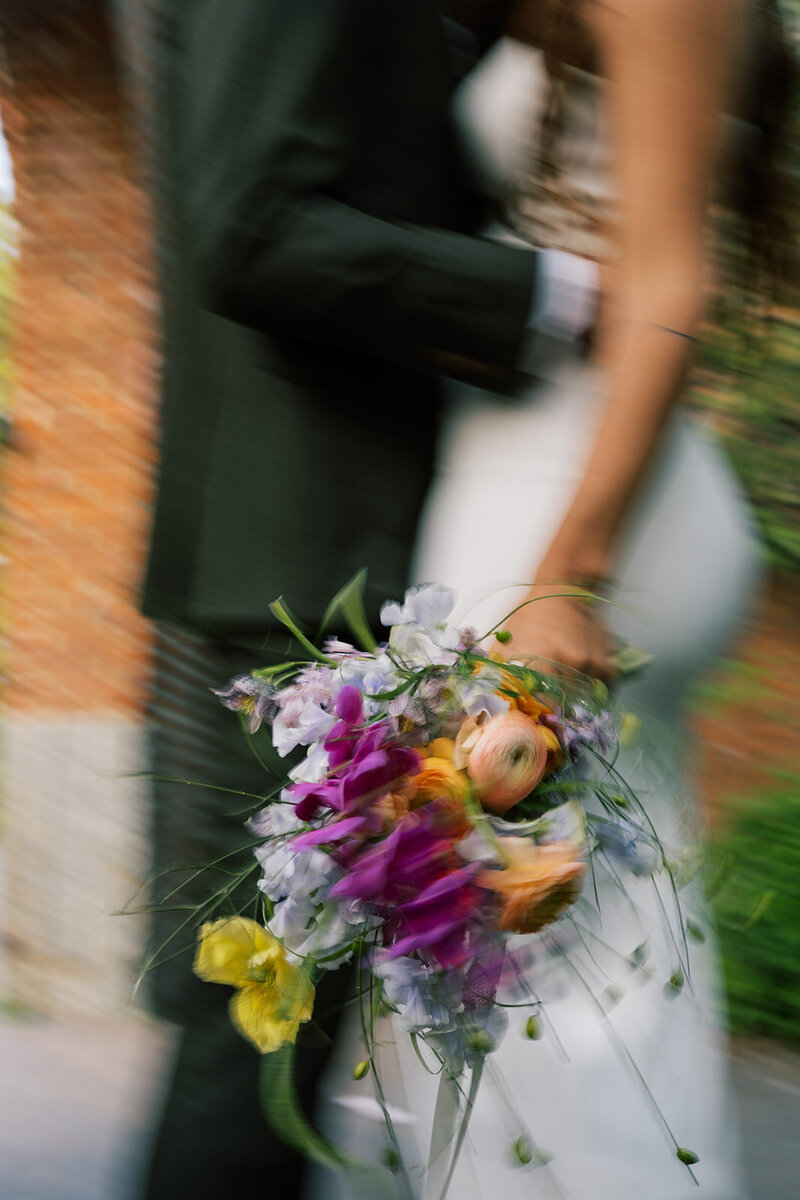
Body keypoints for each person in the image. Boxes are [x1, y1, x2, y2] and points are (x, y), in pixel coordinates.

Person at [304, 1, 795, 1197]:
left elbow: (671, 265)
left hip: (573, 511)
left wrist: (571, 567)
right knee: (501, 983)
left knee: (548, 1000)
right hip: (528, 479)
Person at [139, 3, 599, 1198]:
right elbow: (251, 226)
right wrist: (544, 297)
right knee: (257, 1039)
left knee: (300, 1039)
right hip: (294, 567)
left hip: (379, 548)